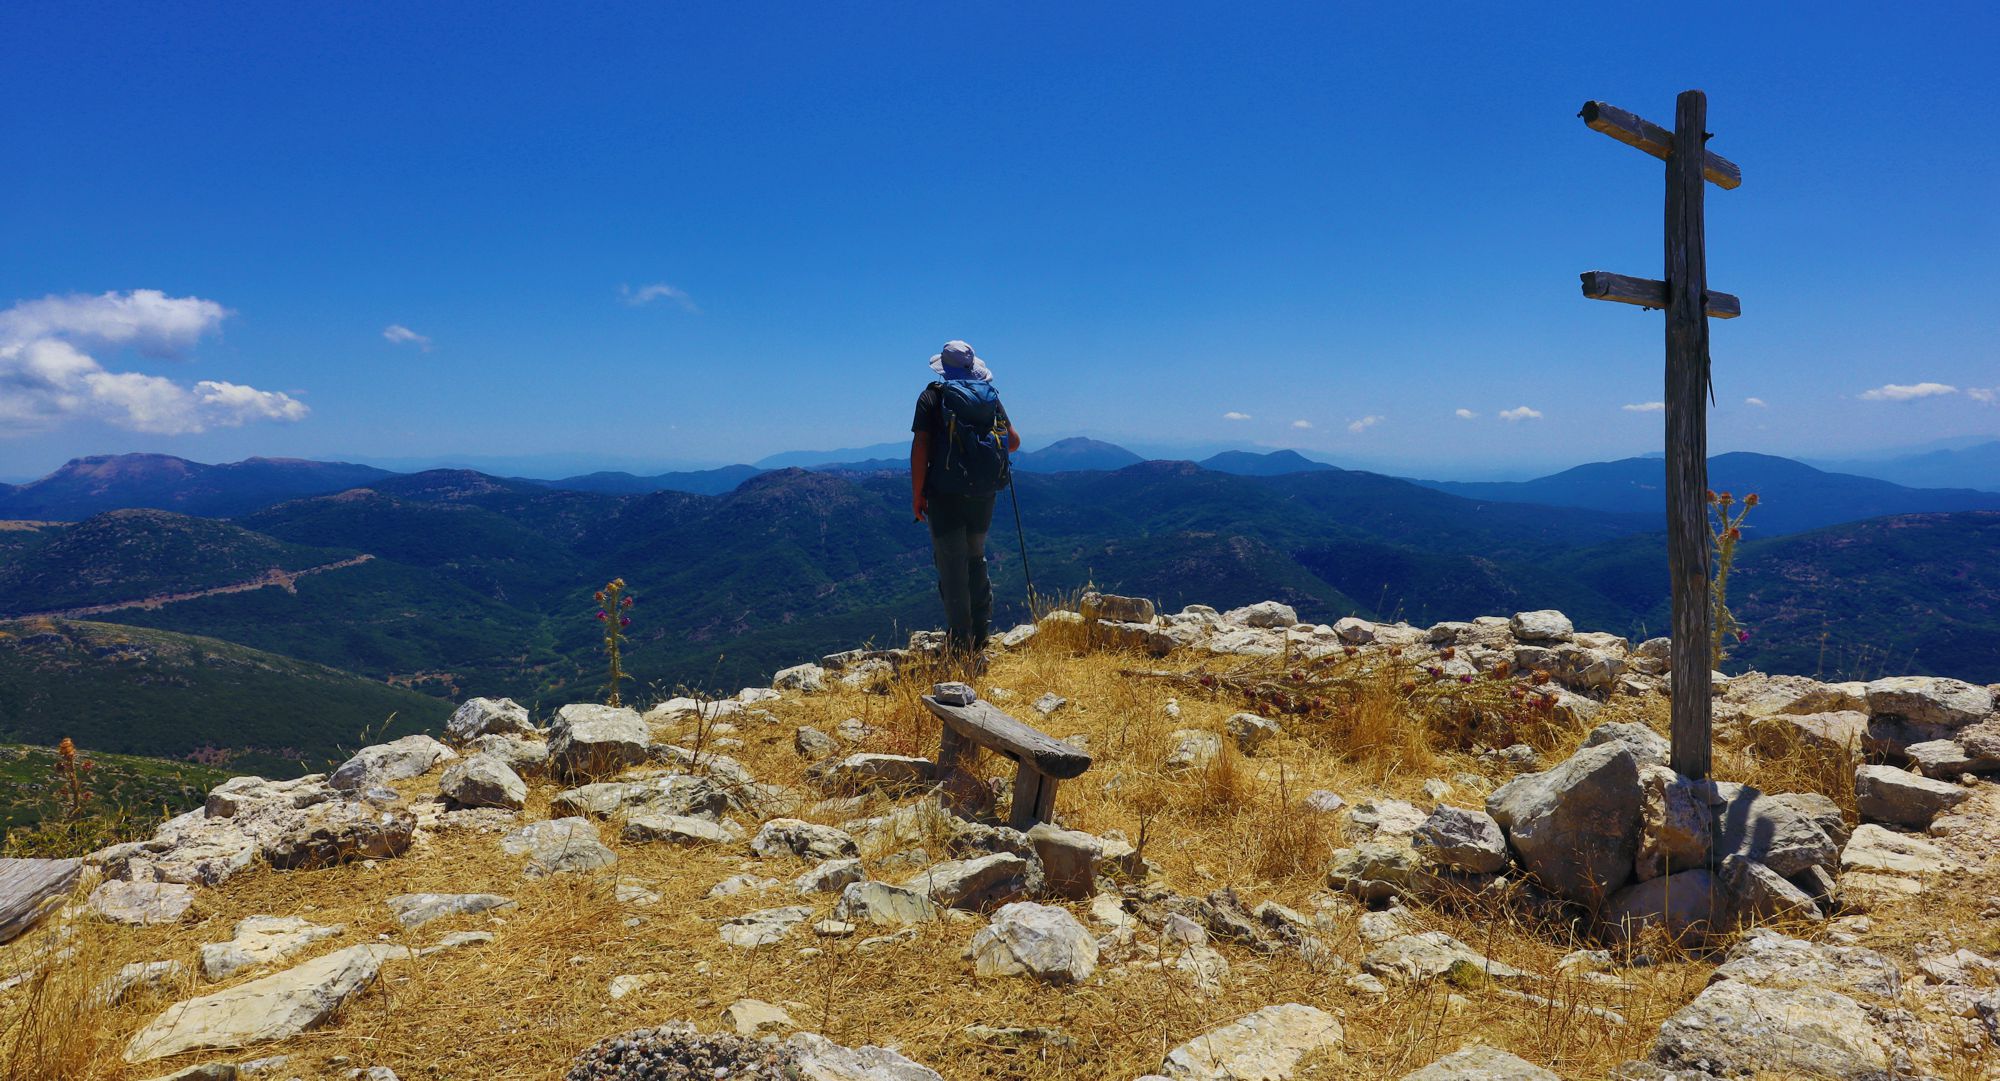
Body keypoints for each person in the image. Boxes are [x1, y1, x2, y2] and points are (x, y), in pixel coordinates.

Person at [910, 340, 1022, 663]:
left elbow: (920, 449)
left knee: (951, 565)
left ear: (944, 368)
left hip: (944, 495)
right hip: (982, 494)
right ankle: (981, 634)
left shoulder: (933, 397)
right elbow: (1013, 442)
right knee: (976, 557)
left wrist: (917, 494)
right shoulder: (989, 397)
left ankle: (961, 643)